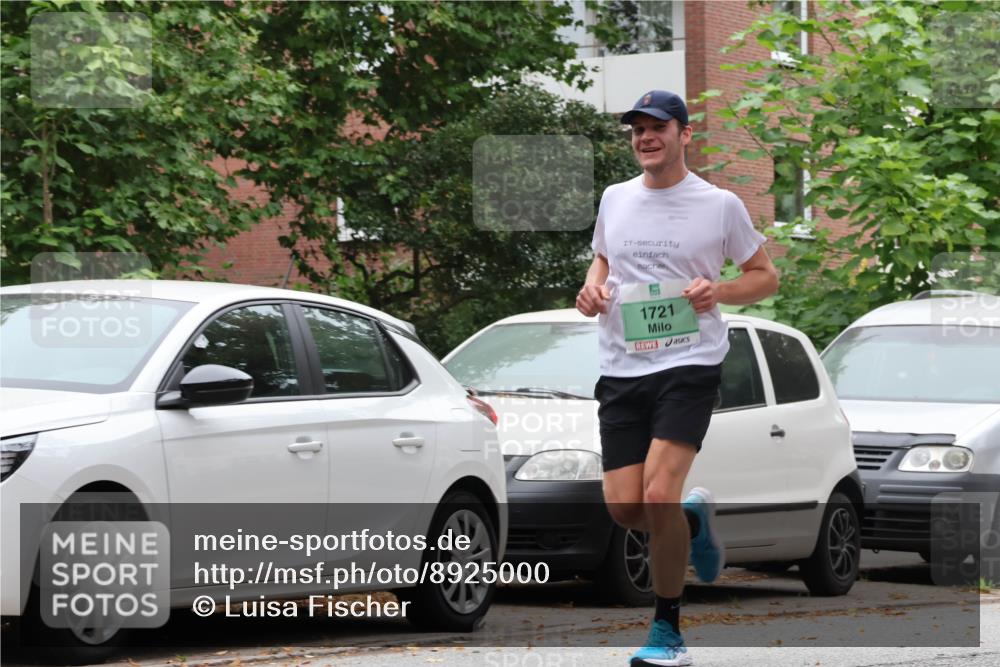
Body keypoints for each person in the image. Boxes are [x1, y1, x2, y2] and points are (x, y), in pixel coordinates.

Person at [576, 90, 779, 667]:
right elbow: (604, 261)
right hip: (621, 366)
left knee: (656, 495)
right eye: (637, 129)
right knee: (625, 509)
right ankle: (693, 517)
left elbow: (765, 277)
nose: (645, 137)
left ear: (684, 135)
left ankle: (668, 633)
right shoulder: (615, 199)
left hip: (689, 363)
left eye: (657, 127)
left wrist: (719, 291)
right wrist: (592, 289)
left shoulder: (718, 206)